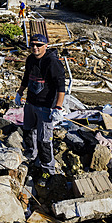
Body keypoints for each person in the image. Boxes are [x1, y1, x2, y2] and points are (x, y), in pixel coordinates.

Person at [15, 34, 65, 183]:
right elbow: (26, 76)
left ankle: (47, 170)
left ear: (46, 46)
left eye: (38, 45)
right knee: (29, 132)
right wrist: (19, 93)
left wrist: (58, 107)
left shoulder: (52, 62)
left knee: (44, 140)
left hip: (46, 106)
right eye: (33, 45)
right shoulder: (30, 59)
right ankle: (31, 158)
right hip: (30, 102)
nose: (35, 48)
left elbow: (60, 86)